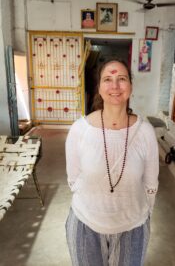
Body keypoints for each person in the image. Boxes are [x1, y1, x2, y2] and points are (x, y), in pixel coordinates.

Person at [65, 58, 159, 266]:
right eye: (107, 79)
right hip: (85, 225)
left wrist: (136, 215)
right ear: (98, 87)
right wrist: (99, 207)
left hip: (132, 228)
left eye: (122, 79)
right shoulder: (80, 130)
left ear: (131, 86)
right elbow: (74, 180)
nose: (115, 86)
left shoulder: (145, 132)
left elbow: (151, 184)